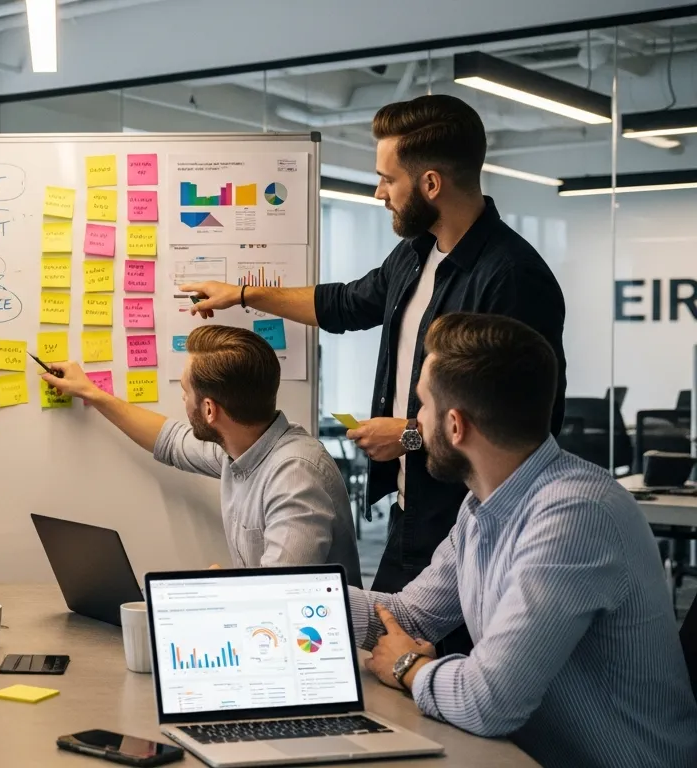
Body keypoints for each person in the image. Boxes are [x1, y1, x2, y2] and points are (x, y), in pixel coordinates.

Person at [181, 95, 566, 645]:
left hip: (473, 522)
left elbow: (527, 425)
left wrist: (408, 435)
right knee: (380, 649)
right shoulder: (416, 254)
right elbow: (344, 304)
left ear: (430, 183)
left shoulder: (513, 277)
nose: (379, 193)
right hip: (411, 515)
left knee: (439, 672)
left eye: (388, 179)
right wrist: (244, 295)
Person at [351, 313, 696, 766]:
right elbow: (409, 617)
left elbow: (489, 701)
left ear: (455, 426)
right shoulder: (482, 506)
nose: (415, 422)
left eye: (422, 405)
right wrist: (290, 595)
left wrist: (408, 668)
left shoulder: (575, 516)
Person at [40, 325, 361, 585]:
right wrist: (90, 392)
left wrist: (219, 589)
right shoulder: (242, 449)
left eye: (185, 390)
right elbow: (170, 440)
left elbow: (281, 599)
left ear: (209, 410)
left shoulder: (295, 477)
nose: (182, 398)